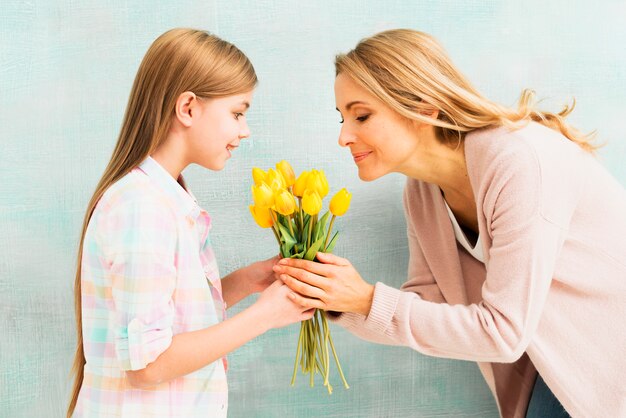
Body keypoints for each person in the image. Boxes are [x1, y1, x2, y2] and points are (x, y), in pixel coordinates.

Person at [275, 29, 626, 418]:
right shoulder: (422, 193)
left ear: (424, 108)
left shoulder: (519, 162)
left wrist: (365, 299)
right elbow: (427, 304)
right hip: (553, 371)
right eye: (342, 118)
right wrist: (333, 297)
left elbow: (503, 332)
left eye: (362, 115)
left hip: (609, 370)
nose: (344, 136)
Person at [67, 28, 313, 417]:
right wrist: (264, 315)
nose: (244, 130)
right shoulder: (141, 209)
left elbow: (170, 313)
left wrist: (249, 281)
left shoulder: (162, 199)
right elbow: (147, 366)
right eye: (237, 112)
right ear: (188, 108)